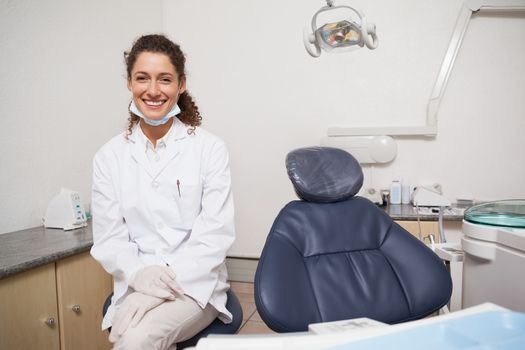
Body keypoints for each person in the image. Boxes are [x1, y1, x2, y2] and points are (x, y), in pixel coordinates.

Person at [90, 34, 235, 350]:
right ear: (130, 83)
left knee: (135, 339)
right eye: (143, 78)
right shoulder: (109, 157)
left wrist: (157, 287)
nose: (153, 90)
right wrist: (140, 276)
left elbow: (214, 237)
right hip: (135, 280)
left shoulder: (209, 149)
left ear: (181, 85)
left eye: (164, 79)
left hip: (194, 283)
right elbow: (109, 238)